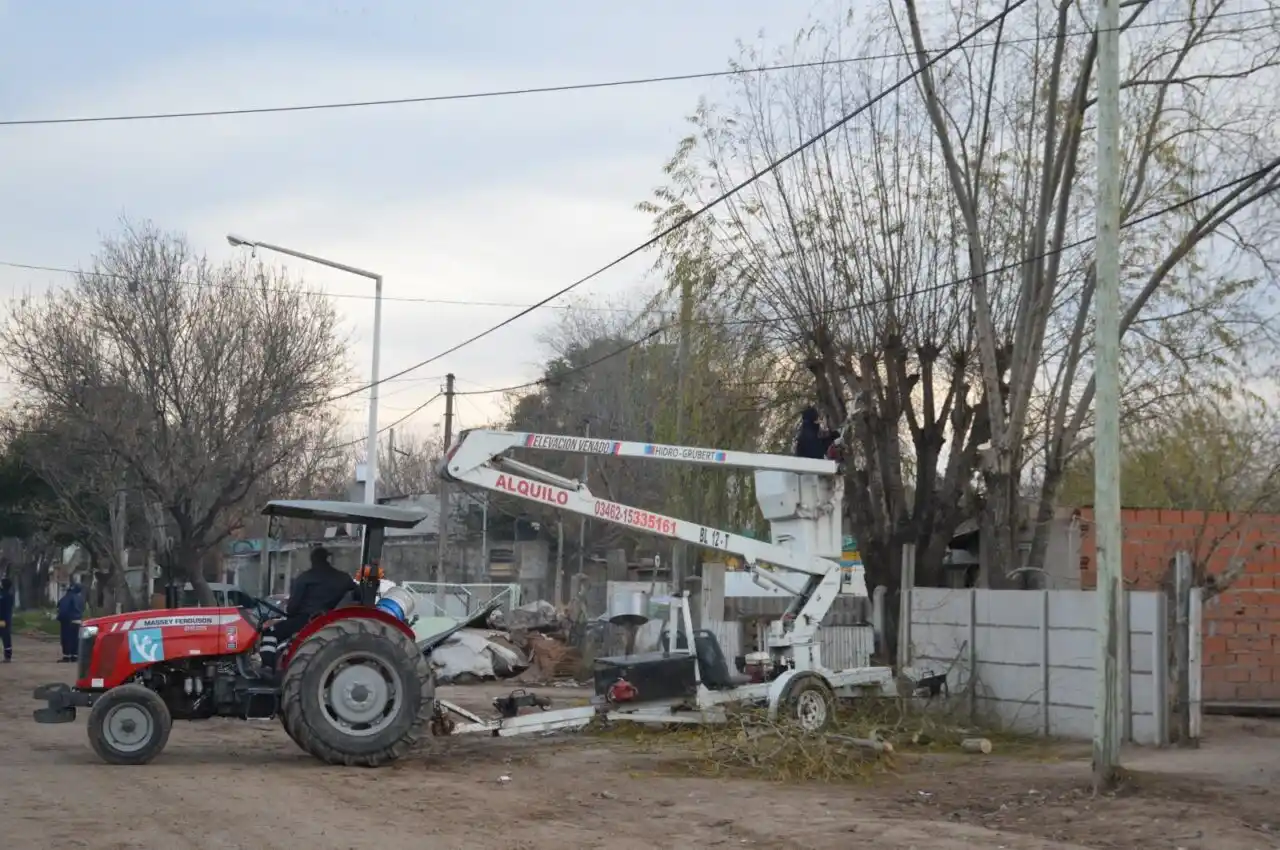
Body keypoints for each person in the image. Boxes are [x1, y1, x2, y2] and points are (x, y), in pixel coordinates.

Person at [258, 546, 355, 671]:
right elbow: (356, 593)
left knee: (270, 631)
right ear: (327, 559)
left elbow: (292, 608)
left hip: (306, 620)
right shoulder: (343, 578)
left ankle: (267, 666)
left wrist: (288, 611)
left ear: (312, 560)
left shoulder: (305, 578)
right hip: (331, 621)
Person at [55, 581, 85, 663]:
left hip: (68, 621)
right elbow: (83, 609)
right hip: (78, 620)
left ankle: (67, 656)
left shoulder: (68, 597)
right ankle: (75, 656)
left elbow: (63, 610)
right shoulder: (80, 598)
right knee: (76, 639)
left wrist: (58, 618)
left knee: (67, 639)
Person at [0, 576, 14, 663]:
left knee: (5, 636)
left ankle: (7, 656)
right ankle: (8, 656)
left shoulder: (3, 595)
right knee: (6, 637)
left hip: (2, 620)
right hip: (5, 619)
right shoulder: (9, 595)